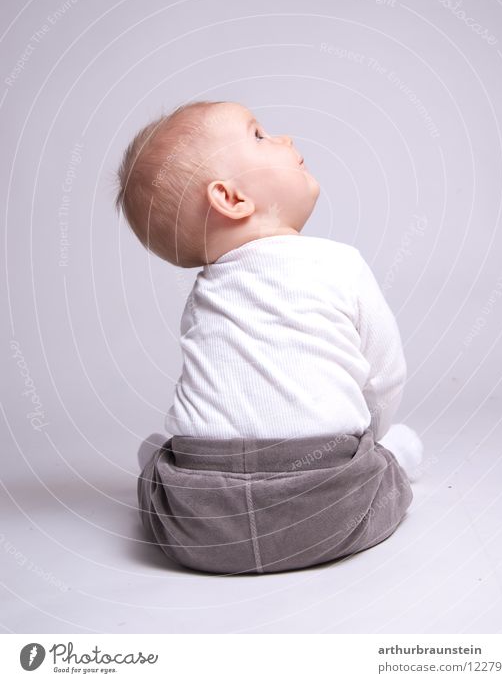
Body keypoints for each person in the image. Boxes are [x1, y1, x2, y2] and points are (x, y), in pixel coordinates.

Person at [115, 99, 423, 574]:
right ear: (232, 198)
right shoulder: (340, 264)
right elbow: (385, 376)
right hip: (329, 511)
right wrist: (371, 442)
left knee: (161, 467)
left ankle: (164, 470)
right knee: (384, 467)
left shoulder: (205, 296)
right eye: (260, 135)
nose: (286, 139)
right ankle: (395, 460)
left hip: (202, 525)